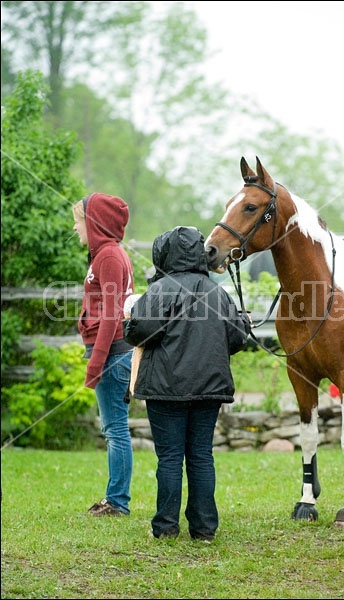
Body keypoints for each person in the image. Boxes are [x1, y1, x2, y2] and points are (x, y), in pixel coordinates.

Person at [123, 226, 251, 540]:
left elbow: (139, 332)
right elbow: (236, 338)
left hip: (166, 389)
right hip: (210, 388)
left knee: (169, 457)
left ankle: (166, 527)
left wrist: (130, 321)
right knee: (201, 456)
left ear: (164, 254)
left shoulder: (161, 290)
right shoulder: (217, 293)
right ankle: (204, 528)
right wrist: (241, 320)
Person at [72, 193, 134, 517]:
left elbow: (112, 315)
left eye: (78, 220)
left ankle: (118, 502)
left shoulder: (109, 256)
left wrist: (95, 364)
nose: (74, 227)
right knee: (113, 428)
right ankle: (115, 498)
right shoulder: (105, 255)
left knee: (115, 429)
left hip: (113, 356)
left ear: (94, 223)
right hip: (110, 355)